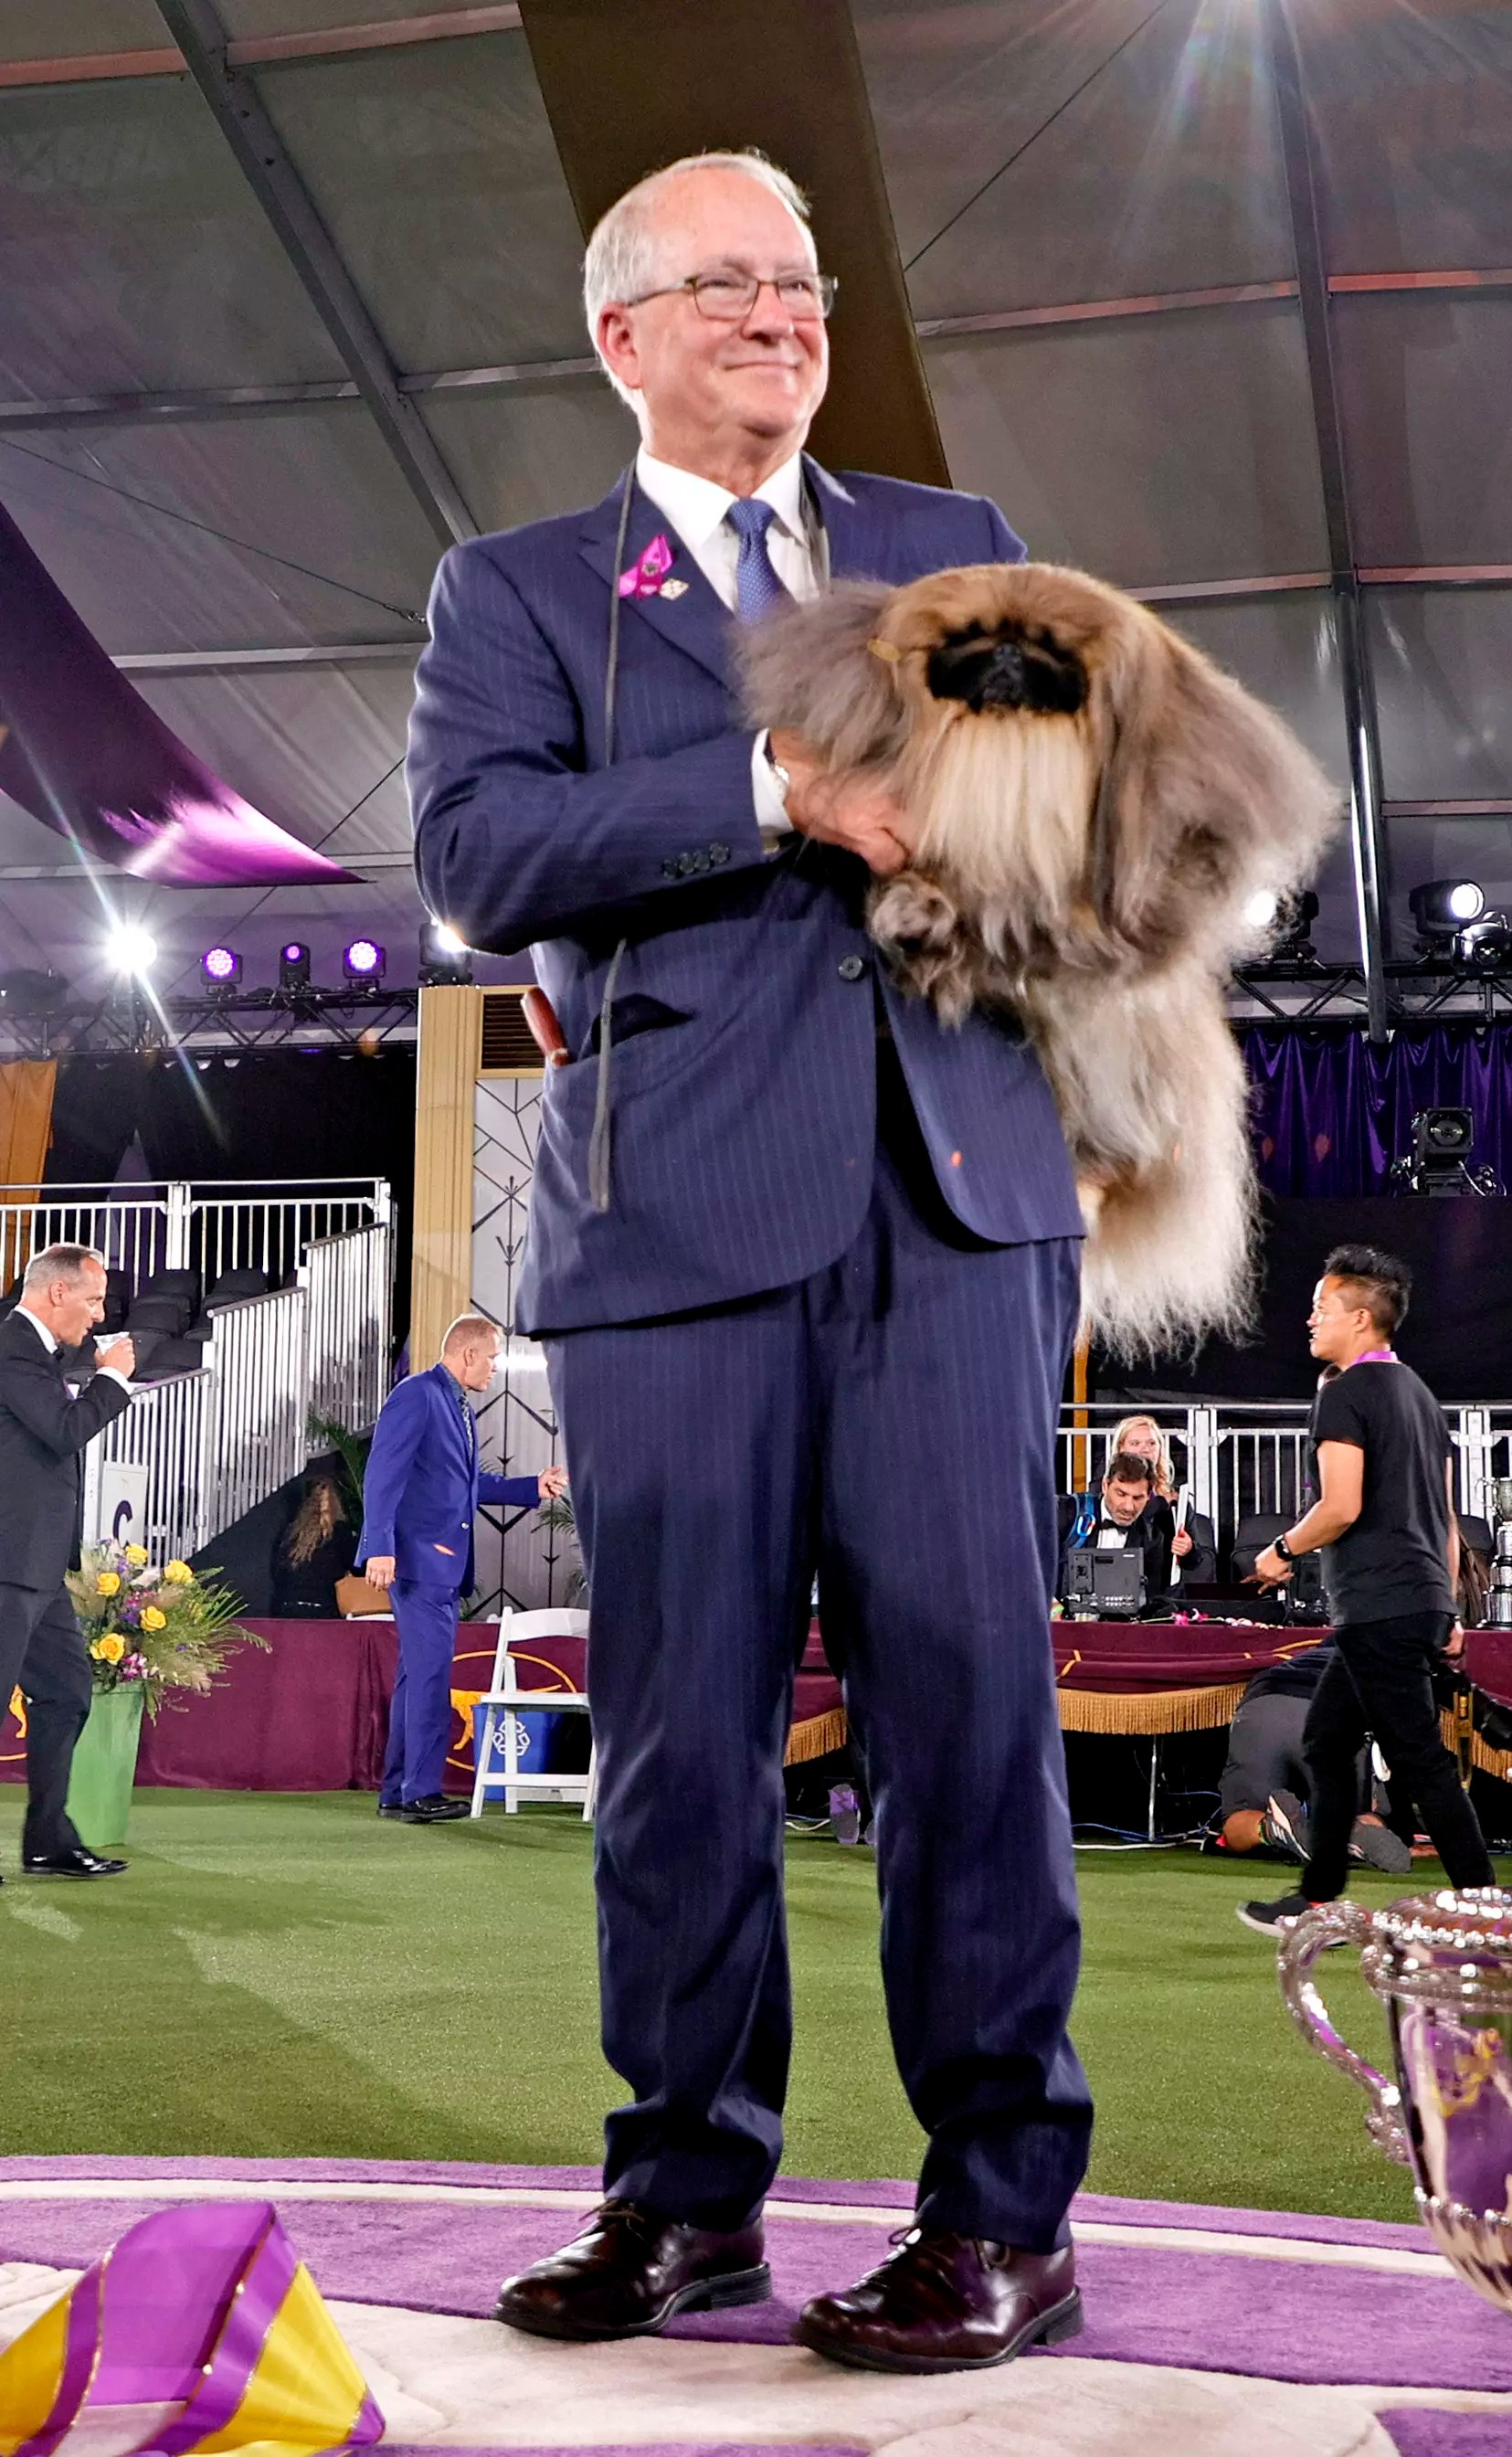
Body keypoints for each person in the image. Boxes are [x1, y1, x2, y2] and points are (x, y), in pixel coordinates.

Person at [410, 150, 1092, 2371]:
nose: (784, 318)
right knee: (683, 1746)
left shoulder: (955, 542)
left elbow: (1069, 809)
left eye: (800, 285)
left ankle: (1004, 2217)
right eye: (729, 287)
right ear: (622, 335)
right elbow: (478, 848)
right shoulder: (517, 591)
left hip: (953, 1209)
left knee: (971, 1725)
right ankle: (684, 2199)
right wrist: (774, 794)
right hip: (677, 1230)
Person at [1237, 1244, 1494, 1933]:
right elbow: (1444, 1515)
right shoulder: (1418, 1392)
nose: (1309, 1320)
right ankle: (1318, 1894)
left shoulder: (1344, 1392)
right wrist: (1446, 1605)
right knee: (1325, 1740)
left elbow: (1340, 1505)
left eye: (1320, 1308)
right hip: (1408, 1602)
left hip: (1379, 1607)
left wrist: (1279, 1550)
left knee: (1418, 1758)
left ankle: (1483, 1906)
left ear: (1358, 1317)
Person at [358, 1314, 566, 1825]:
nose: (495, 1368)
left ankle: (398, 1790)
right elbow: (382, 1472)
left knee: (416, 1676)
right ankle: (421, 1793)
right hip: (423, 1562)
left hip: (440, 1566)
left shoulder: (453, 1404)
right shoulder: (418, 1395)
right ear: (468, 1354)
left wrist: (530, 1486)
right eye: (492, 1358)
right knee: (429, 1678)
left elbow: (465, 1485)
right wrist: (378, 1546)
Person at [0, 1244, 136, 1879]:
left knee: (66, 1691)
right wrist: (112, 1379)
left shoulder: (37, 1354)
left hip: (38, 1564)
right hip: (6, 1561)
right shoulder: (12, 1346)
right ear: (57, 1293)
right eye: (92, 1298)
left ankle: (48, 1839)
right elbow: (63, 1428)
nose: (98, 1314)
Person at [1215, 1636, 1411, 1874]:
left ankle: (1270, 1828)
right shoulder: (1394, 1657)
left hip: (1263, 1708)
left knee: (1237, 1819)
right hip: (1332, 1715)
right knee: (1364, 1814)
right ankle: (1352, 1831)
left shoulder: (1305, 1657)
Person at [1061, 1451, 1174, 1606]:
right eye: (1121, 1494)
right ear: (1105, 1486)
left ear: (1149, 1496)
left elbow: (1151, 1600)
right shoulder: (1067, 1513)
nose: (1129, 1507)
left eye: (1137, 1498)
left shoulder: (1152, 1539)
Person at [1110, 1414, 1206, 1582]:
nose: (1145, 1449)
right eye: (1135, 1443)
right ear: (1121, 1447)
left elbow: (1195, 1560)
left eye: (1152, 1443)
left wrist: (1188, 1549)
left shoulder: (1176, 1501)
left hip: (1162, 1593)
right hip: (1117, 1585)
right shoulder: (1103, 1490)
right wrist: (1159, 1504)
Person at [272, 1466, 358, 1616]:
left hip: (287, 1606)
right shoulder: (340, 1531)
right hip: (324, 1607)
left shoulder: (291, 1532)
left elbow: (277, 1570)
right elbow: (356, 1566)